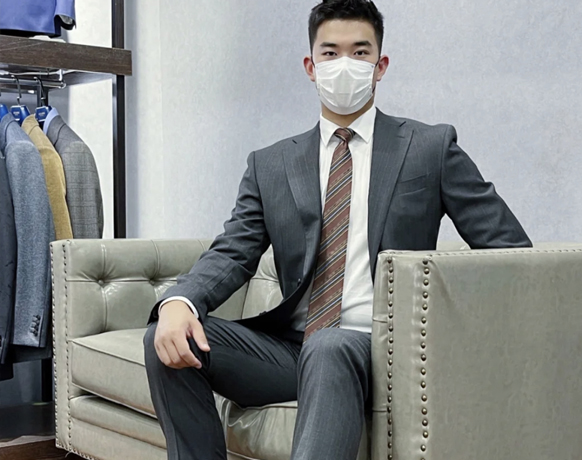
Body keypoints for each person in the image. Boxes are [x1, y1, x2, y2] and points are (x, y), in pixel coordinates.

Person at [144, 1, 532, 459]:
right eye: (330, 53)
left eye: (360, 52)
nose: (344, 64)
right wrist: (180, 301)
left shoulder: (429, 148)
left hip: (387, 351)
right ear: (311, 67)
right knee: (166, 336)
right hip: (292, 352)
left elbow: (510, 252)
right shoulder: (271, 164)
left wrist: (456, 332)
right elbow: (233, 251)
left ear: (380, 66)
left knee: (330, 345)